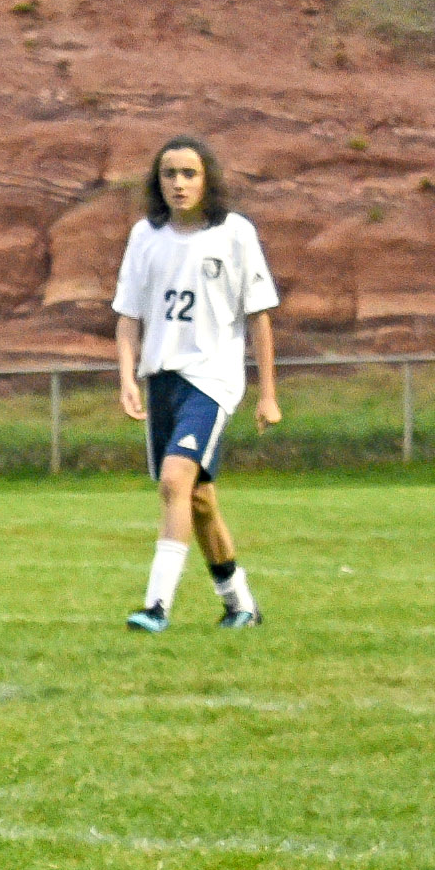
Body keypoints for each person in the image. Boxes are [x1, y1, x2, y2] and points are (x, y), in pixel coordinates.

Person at [113, 135, 280, 634]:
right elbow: (128, 316)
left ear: (207, 180)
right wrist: (127, 378)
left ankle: (156, 607)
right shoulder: (145, 235)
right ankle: (240, 605)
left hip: (210, 380)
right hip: (162, 381)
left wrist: (268, 394)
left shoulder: (234, 234)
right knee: (199, 499)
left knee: (174, 481)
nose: (179, 184)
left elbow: (260, 318)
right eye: (169, 174)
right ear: (156, 182)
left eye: (189, 174)